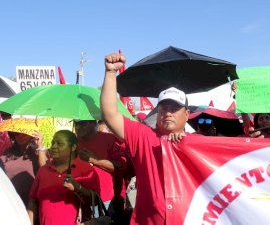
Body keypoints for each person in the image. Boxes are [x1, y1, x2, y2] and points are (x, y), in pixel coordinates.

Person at [101, 52, 190, 225]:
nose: (168, 113)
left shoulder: (197, 144)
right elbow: (110, 114)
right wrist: (111, 73)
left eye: (174, 108)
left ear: (187, 114)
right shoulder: (144, 136)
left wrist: (186, 143)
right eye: (163, 109)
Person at [27, 130, 99, 225]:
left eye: (60, 144)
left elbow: (95, 201)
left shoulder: (86, 169)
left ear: (73, 147)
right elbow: (33, 201)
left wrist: (77, 188)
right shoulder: (43, 170)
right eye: (53, 143)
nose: (54, 146)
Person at [0, 131, 46, 206]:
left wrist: (40, 145)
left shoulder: (38, 153)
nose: (20, 136)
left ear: (30, 134)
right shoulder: (7, 152)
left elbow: (45, 169)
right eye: (17, 134)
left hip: (28, 203)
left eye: (24, 134)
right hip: (9, 200)